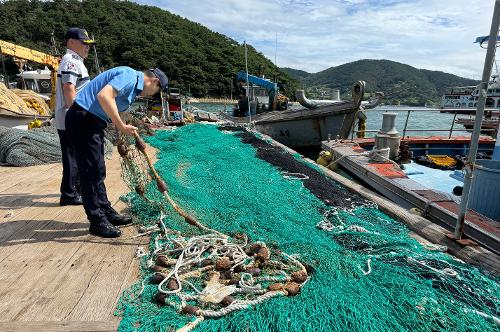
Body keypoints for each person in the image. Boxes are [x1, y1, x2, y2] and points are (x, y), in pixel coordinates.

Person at [65, 67, 168, 238]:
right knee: (90, 173)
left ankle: (106, 210)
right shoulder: (129, 76)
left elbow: (113, 106)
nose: (151, 96)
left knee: (98, 170)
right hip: (82, 119)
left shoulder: (132, 87)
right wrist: (120, 125)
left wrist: (121, 131)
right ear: (155, 81)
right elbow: (104, 96)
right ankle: (97, 221)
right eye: (155, 92)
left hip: (93, 122)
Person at [55, 28, 95, 206]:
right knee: (72, 156)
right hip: (71, 118)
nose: (87, 47)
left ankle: (77, 189)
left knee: (77, 155)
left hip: (72, 117)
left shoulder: (76, 61)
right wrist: (76, 115)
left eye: (88, 44)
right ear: (71, 42)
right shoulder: (70, 61)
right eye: (83, 43)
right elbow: (69, 89)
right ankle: (69, 194)